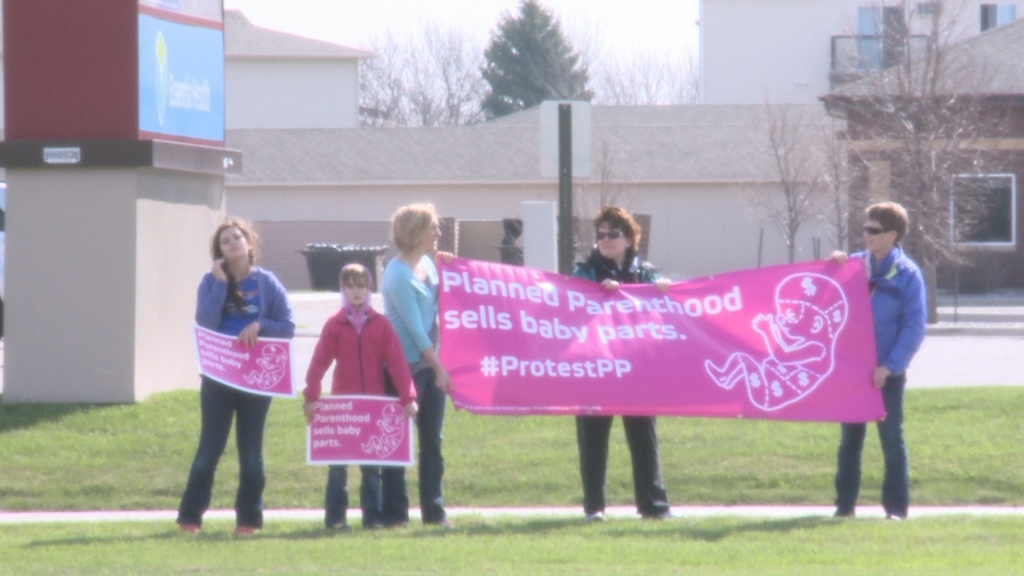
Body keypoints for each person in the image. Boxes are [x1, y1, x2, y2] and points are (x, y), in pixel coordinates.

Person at [177, 218, 295, 535]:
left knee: (251, 451)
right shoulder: (211, 281)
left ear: (249, 244)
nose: (231, 242)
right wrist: (218, 283)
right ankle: (189, 518)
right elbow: (204, 322)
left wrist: (261, 325)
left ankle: (248, 521)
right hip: (218, 376)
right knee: (210, 448)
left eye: (237, 237)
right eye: (225, 240)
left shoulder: (268, 283)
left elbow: (288, 327)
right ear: (220, 252)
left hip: (256, 378)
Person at [572, 206, 672, 521]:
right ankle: (594, 508)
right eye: (601, 234)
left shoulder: (647, 273)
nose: (606, 240)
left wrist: (664, 292)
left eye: (613, 234)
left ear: (629, 239)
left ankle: (653, 507)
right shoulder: (584, 272)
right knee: (593, 440)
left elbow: (666, 314)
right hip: (594, 368)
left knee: (644, 438)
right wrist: (596, 294)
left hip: (637, 369)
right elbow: (566, 307)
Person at [302, 263, 418, 531]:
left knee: (371, 468)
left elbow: (398, 364)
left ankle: (373, 518)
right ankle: (335, 518)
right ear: (343, 289)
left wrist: (407, 397)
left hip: (373, 406)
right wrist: (311, 396)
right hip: (343, 407)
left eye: (361, 285)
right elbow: (318, 364)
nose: (356, 291)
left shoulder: (382, 325)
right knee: (338, 468)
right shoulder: (335, 325)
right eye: (350, 285)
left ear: (369, 288)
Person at [831, 201, 927, 520]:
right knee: (850, 441)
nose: (867, 235)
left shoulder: (908, 275)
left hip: (887, 373)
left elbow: (914, 327)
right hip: (854, 373)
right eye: (865, 228)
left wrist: (890, 367)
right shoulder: (854, 266)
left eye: (875, 230)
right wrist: (834, 265)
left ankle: (896, 509)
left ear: (893, 235)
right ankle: (844, 507)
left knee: (891, 439)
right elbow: (827, 295)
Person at [381, 203, 453, 528]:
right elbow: (415, 331)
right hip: (404, 368)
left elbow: (443, 300)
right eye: (433, 227)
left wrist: (450, 266)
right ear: (415, 232)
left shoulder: (428, 263)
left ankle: (434, 514)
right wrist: (439, 367)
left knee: (432, 442)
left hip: (429, 364)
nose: (439, 233)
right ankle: (396, 516)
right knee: (398, 442)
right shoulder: (397, 275)